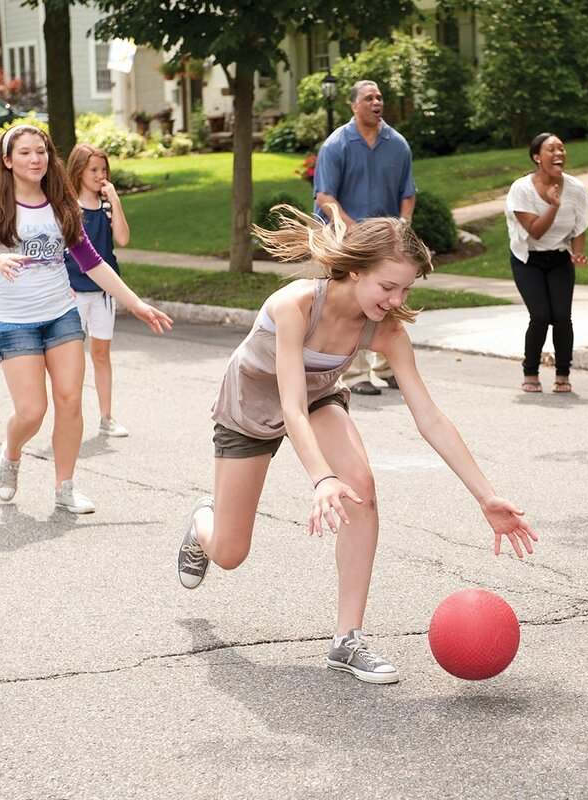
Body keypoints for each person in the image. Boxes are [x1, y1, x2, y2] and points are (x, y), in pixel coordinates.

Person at [175, 206, 538, 685]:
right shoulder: (295, 305)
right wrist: (320, 477)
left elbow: (428, 417)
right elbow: (290, 405)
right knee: (229, 552)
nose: (396, 299)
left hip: (319, 396)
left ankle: (348, 638)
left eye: (406, 288)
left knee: (360, 486)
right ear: (354, 269)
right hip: (252, 406)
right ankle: (205, 521)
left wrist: (485, 495)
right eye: (388, 286)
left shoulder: (385, 329)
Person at [0, 125, 172, 513]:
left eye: (41, 151)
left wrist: (136, 303)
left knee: (71, 400)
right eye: (24, 153)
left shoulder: (61, 205)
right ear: (7, 161)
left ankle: (65, 486)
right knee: (31, 412)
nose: (35, 159)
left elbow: (92, 262)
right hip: (15, 320)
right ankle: (11, 453)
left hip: (61, 313)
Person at [313, 79, 416, 396]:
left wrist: (403, 228)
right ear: (354, 106)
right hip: (344, 239)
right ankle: (354, 374)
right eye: (369, 97)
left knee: (390, 300)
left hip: (386, 244)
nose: (376, 102)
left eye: (380, 97)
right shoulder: (336, 145)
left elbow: (407, 194)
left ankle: (386, 368)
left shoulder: (397, 144)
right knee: (349, 303)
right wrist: (357, 233)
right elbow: (324, 198)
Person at [504, 133, 588, 393]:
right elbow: (535, 231)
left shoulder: (576, 188)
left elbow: (580, 227)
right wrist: (554, 206)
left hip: (558, 257)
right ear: (537, 157)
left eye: (562, 148)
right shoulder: (521, 189)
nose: (559, 153)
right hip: (527, 259)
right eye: (551, 149)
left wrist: (576, 253)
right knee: (541, 315)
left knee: (562, 317)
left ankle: (563, 374)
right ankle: (530, 372)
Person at [64, 143, 132, 438]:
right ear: (79, 171)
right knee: (72, 357)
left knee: (101, 354)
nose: (100, 175)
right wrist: (64, 286)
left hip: (103, 292)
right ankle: (71, 417)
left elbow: (123, 238)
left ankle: (106, 418)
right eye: (93, 169)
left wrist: (115, 201)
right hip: (74, 292)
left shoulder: (105, 206)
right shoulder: (67, 208)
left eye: (103, 169)